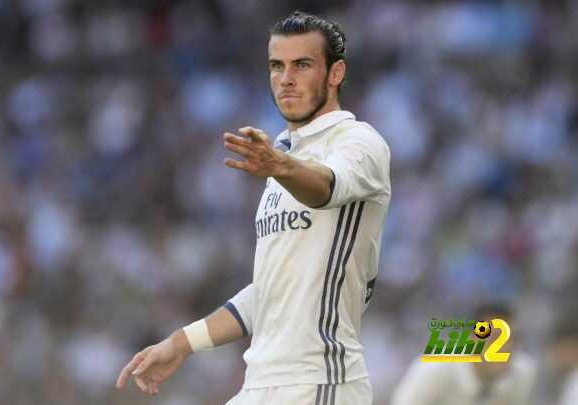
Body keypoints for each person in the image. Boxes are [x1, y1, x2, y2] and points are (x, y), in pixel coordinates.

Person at [116, 11, 391, 405]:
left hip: (321, 380)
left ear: (336, 73)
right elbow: (271, 292)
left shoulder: (358, 142)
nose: (286, 79)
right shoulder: (282, 158)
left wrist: (280, 167)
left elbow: (326, 188)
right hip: (261, 382)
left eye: (303, 65)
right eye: (277, 66)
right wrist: (182, 342)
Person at [391, 303, 537, 405]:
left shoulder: (522, 373)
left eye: (513, 339)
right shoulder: (435, 369)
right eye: (495, 338)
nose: (506, 348)